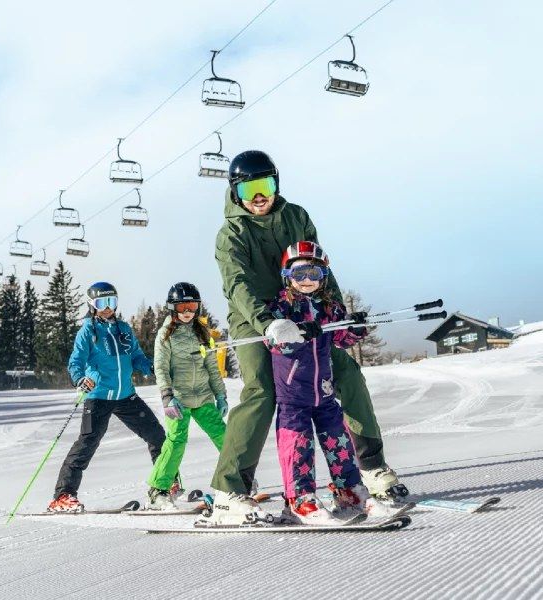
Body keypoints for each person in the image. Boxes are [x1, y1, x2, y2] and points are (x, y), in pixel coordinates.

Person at [205, 150, 406, 526]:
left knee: (345, 372)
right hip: (256, 318)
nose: (259, 195)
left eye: (265, 185)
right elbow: (237, 284)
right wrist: (268, 322)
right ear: (235, 192)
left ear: (276, 184)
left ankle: (371, 468)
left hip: (304, 308)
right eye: (249, 188)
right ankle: (230, 491)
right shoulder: (230, 234)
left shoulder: (296, 216)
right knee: (263, 390)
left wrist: (338, 317)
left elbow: (322, 269)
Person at [267, 241, 388, 524]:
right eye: (299, 274)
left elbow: (340, 339)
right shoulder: (280, 308)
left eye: (314, 274)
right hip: (293, 393)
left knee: (340, 441)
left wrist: (355, 330)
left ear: (323, 278)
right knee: (298, 445)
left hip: (323, 391)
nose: (307, 280)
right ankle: (300, 500)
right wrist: (294, 332)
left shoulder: (327, 308)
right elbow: (275, 344)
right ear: (288, 276)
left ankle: (349, 491)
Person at [48, 282, 165, 513]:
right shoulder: (88, 331)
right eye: (102, 303)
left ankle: (165, 484)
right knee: (87, 444)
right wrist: (80, 378)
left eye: (111, 302)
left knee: (157, 435)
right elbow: (76, 362)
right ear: (92, 305)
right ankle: (63, 496)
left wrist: (151, 367)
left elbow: (137, 356)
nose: (107, 308)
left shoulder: (123, 328)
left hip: (126, 396)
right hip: (99, 396)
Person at [145, 282, 229, 510]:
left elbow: (212, 367)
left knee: (225, 436)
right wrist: (166, 397)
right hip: (178, 399)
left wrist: (221, 395)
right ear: (172, 308)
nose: (187, 312)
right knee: (176, 442)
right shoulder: (165, 334)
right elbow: (160, 367)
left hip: (203, 397)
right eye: (182, 307)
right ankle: (158, 489)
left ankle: (236, 480)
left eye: (191, 306)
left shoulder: (203, 332)